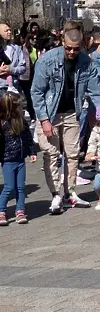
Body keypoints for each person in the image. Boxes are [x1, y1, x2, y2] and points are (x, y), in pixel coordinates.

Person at [32, 29, 100, 214]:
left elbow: (94, 90)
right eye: (68, 48)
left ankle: (70, 192)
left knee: (73, 155)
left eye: (75, 49)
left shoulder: (85, 61)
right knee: (51, 154)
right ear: (62, 43)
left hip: (73, 112)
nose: (71, 52)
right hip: (50, 113)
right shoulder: (47, 60)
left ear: (81, 46)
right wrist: (44, 119)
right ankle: (56, 194)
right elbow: (37, 92)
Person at [0, 91, 36, 225]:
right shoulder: (3, 124)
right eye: (19, 106)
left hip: (20, 159)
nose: (22, 108)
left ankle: (20, 211)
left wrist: (32, 152)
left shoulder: (22, 122)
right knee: (9, 187)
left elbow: (28, 138)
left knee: (21, 187)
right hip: (7, 160)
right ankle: (1, 211)